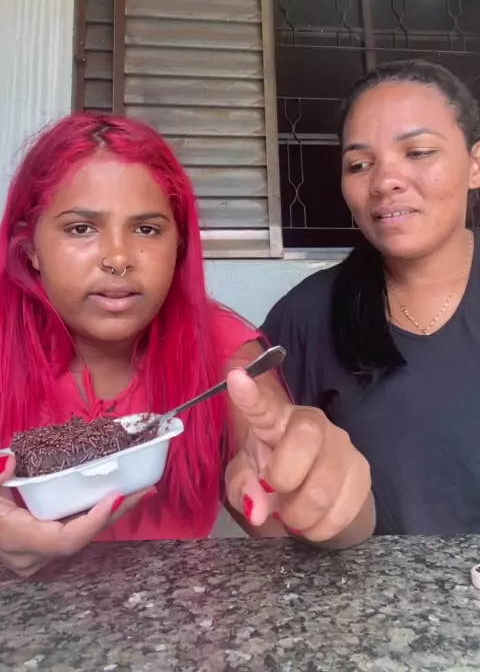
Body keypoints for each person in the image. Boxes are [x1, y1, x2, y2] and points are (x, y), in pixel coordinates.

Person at [0, 113, 373, 578]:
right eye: (81, 228)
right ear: (31, 249)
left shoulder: (221, 349)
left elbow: (280, 491)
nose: (118, 258)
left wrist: (328, 497)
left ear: (178, 247)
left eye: (147, 229)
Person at [262, 59, 480, 536]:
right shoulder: (308, 315)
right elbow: (259, 463)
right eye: (359, 165)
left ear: (475, 165)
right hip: (373, 585)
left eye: (418, 152)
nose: (384, 181)